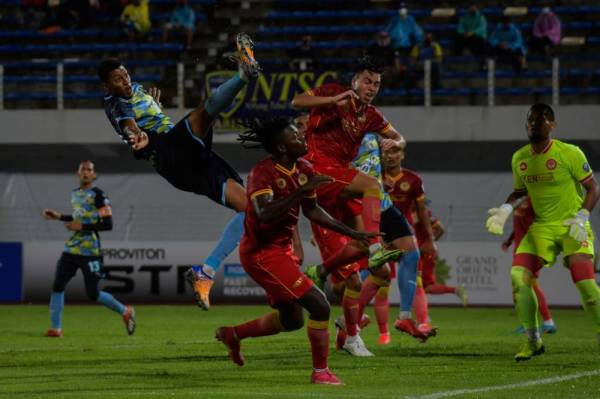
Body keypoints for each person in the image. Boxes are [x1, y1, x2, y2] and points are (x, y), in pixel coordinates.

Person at [99, 33, 260, 311]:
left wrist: (154, 110)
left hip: (186, 158)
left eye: (125, 75)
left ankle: (205, 272)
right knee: (203, 114)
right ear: (107, 85)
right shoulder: (115, 104)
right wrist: (137, 136)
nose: (124, 82)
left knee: (249, 209)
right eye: (118, 80)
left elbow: (145, 116)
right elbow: (128, 124)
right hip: (168, 155)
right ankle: (244, 75)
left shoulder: (136, 90)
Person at [216, 116, 379, 385]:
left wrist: (351, 232)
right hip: (261, 254)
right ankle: (320, 372)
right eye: (295, 136)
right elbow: (264, 213)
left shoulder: (303, 166)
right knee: (319, 305)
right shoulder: (262, 173)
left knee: (292, 320)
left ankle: (232, 334)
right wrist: (301, 191)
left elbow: (312, 209)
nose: (302, 138)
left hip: (281, 251)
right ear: (281, 148)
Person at [291, 57, 406, 352]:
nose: (372, 87)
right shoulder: (333, 93)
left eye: (377, 84)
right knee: (371, 186)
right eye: (367, 81)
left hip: (341, 181)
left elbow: (396, 135)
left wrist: (397, 143)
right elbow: (296, 101)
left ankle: (327, 277)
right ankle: (352, 334)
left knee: (378, 272)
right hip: (318, 171)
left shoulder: (372, 116)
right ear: (354, 81)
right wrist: (332, 99)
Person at [486, 103, 600, 361]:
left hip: (572, 225)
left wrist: (582, 217)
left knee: (585, 285)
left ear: (552, 125)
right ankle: (534, 340)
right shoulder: (520, 158)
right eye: (530, 120)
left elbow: (593, 188)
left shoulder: (569, 153)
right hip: (542, 229)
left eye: (540, 119)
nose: (534, 124)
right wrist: (505, 209)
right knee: (518, 277)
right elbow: (519, 192)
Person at [42, 161, 135, 337]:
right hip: (72, 249)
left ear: (94, 175)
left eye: (89, 170)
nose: (85, 172)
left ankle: (125, 311)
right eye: (82, 169)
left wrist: (82, 227)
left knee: (92, 294)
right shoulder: (75, 194)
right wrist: (59, 216)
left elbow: (108, 224)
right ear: (78, 173)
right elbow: (78, 216)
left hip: (90, 251)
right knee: (58, 285)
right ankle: (56, 328)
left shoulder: (99, 195)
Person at [501, 197, 557, 334]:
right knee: (522, 287)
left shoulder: (536, 201)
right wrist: (509, 241)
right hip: (520, 249)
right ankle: (536, 323)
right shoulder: (522, 201)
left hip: (530, 249)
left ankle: (546, 322)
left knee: (528, 285)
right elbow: (519, 226)